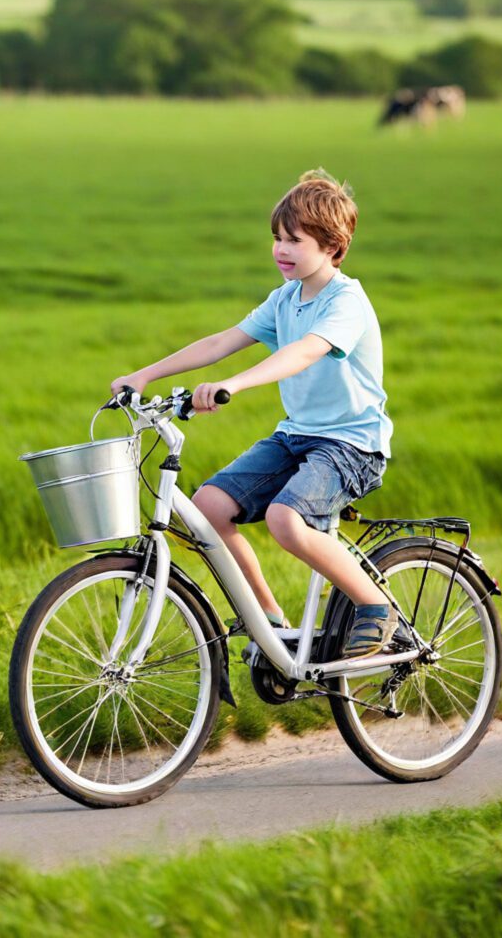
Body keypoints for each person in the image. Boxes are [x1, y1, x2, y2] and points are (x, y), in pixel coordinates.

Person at [111, 169, 396, 658]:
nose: (281, 249)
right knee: (209, 508)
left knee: (287, 519)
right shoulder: (285, 298)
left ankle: (375, 607)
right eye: (277, 238)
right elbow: (223, 342)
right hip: (298, 436)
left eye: (295, 240)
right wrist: (144, 375)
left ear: (333, 247)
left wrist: (235, 384)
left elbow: (306, 351)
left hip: (352, 445)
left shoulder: (346, 301)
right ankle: (269, 620)